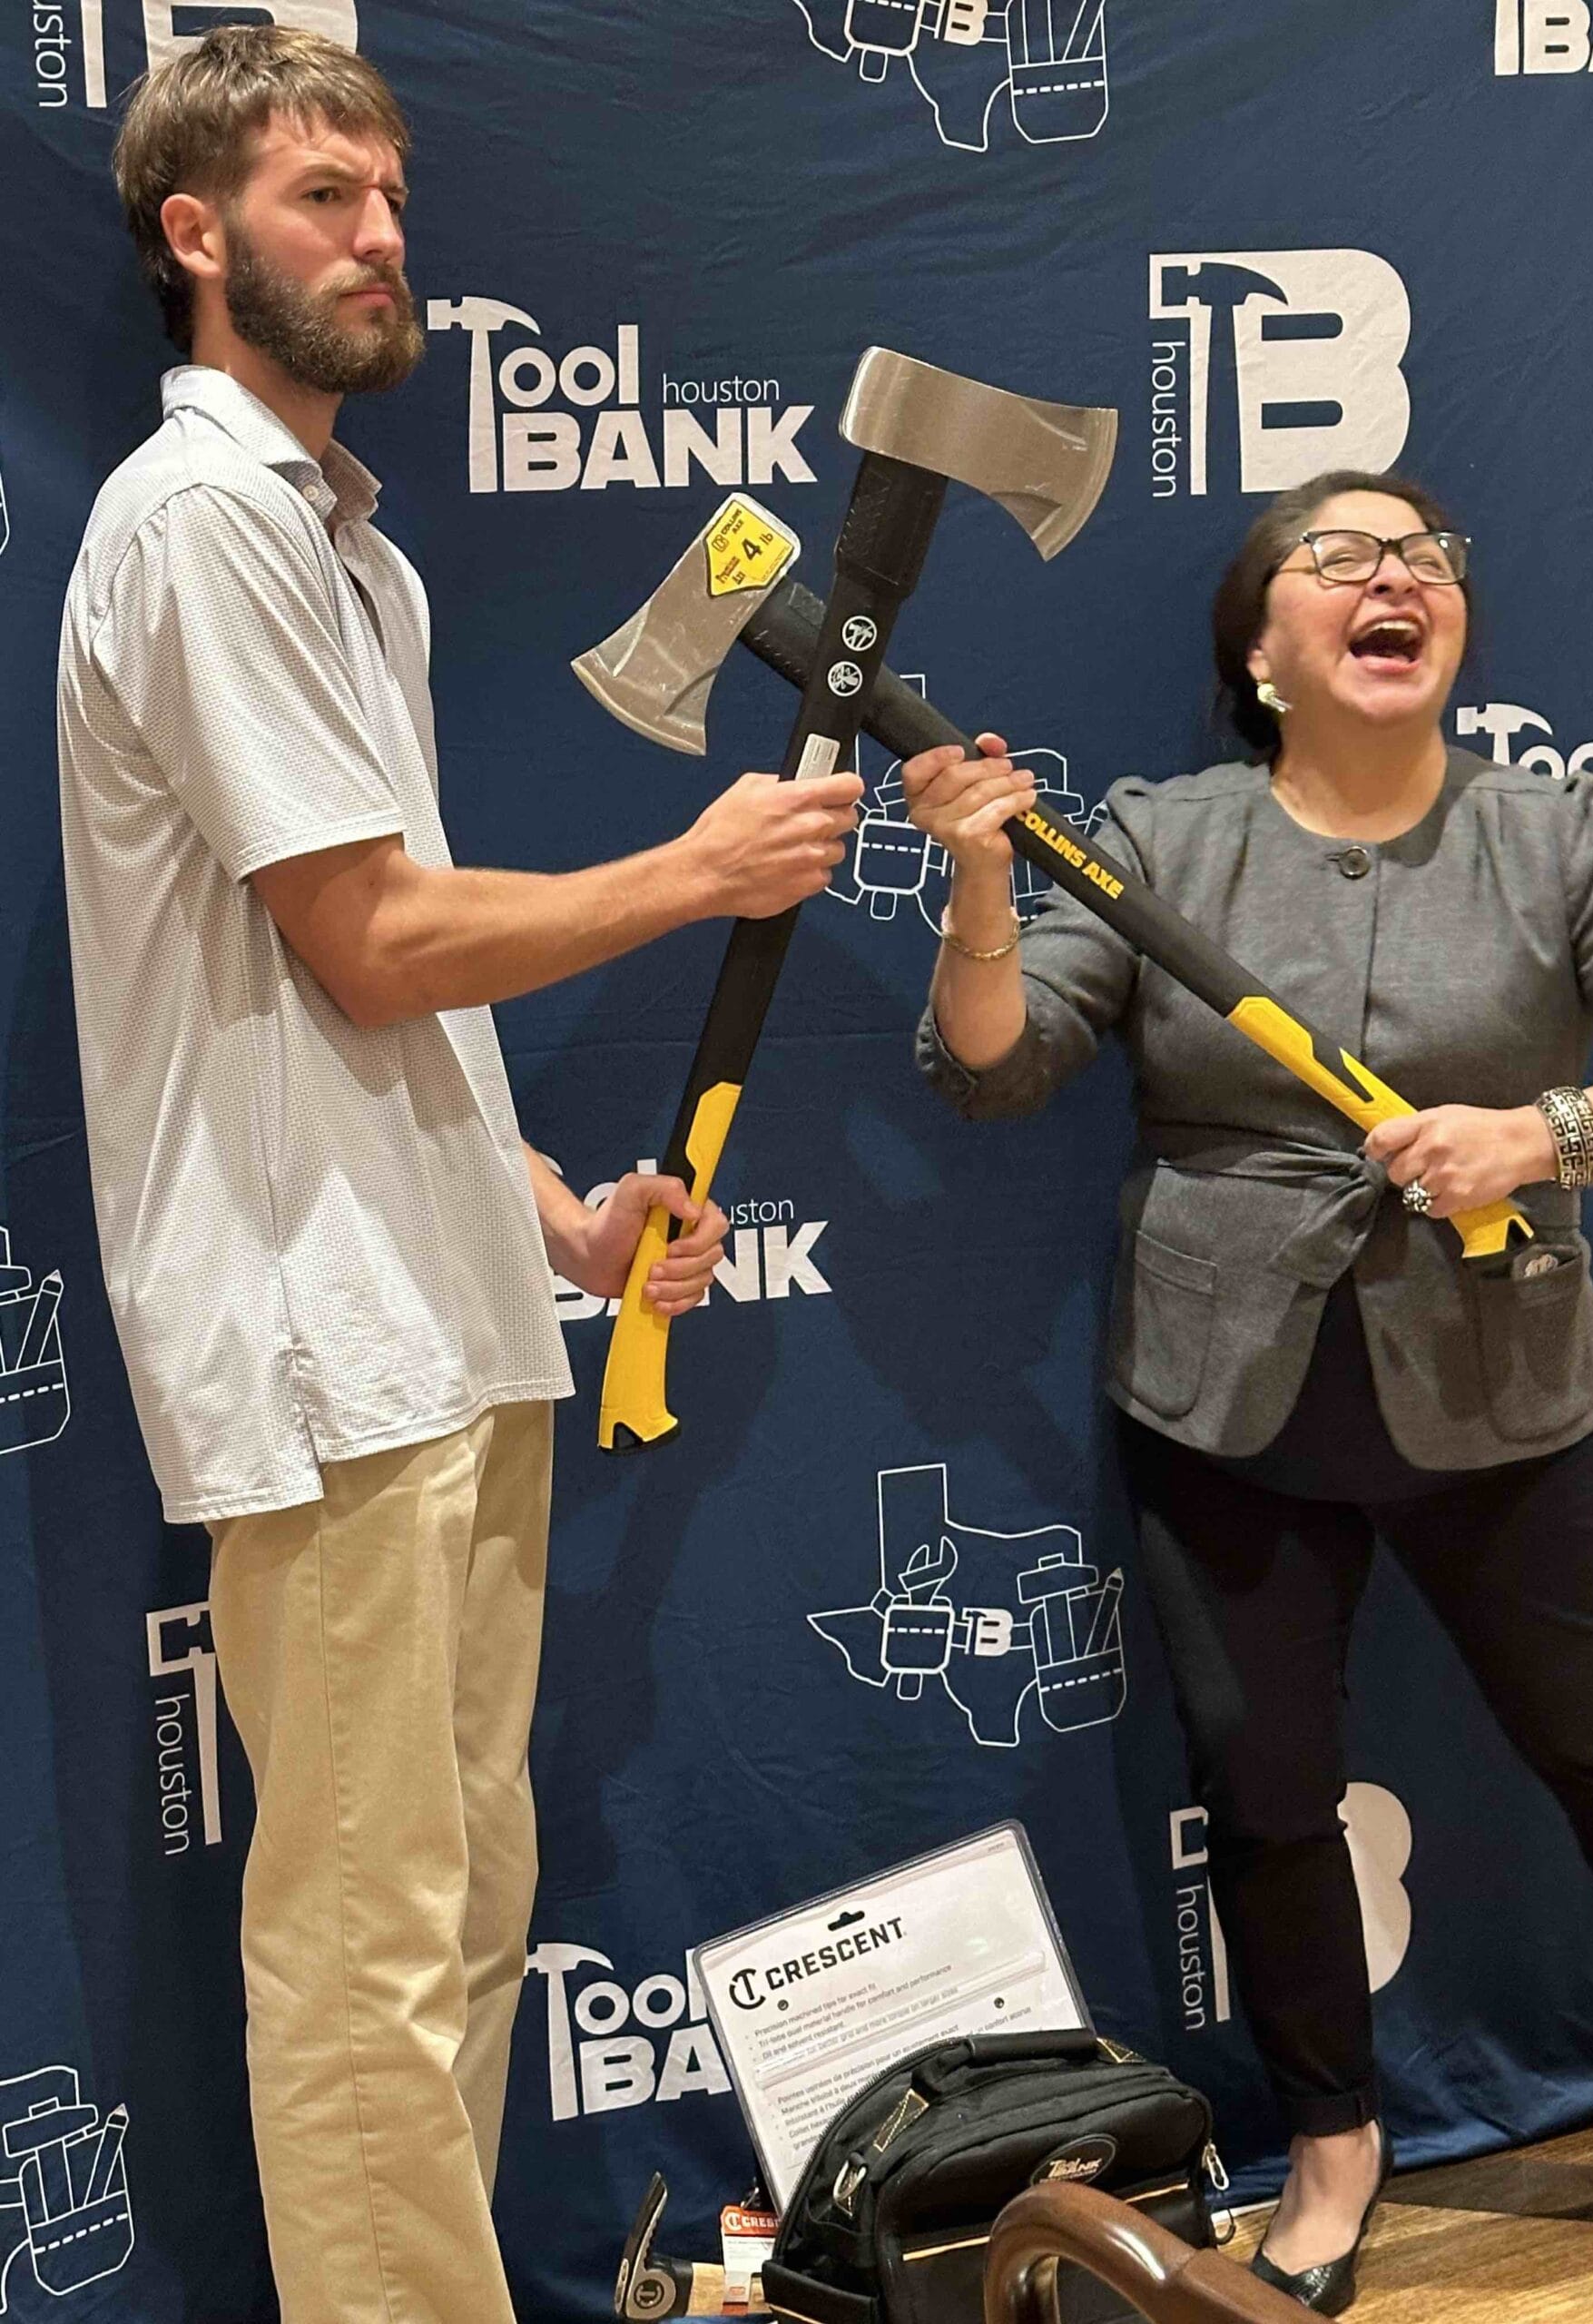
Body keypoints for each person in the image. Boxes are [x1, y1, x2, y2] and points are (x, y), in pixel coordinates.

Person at [57, 27, 861, 2324]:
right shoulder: (203, 519)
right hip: (318, 1357)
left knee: (456, 1921)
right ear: (197, 235)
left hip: (440, 1320)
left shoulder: (344, 551)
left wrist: (564, 1220)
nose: (387, 237)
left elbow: (367, 1006)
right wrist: (699, 870)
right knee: (365, 1955)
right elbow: (373, 930)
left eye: (395, 195)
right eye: (327, 196)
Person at [903, 470, 1593, 2313]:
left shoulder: (1553, 832)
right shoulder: (1157, 834)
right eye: (1340, 555)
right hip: (1229, 1401)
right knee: (1270, 1785)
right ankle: (1336, 2143)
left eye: (1426, 551)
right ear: (1263, 649)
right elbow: (996, 1058)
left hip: (1510, 1389)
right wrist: (980, 869)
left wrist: (1552, 1128)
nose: (1397, 573)